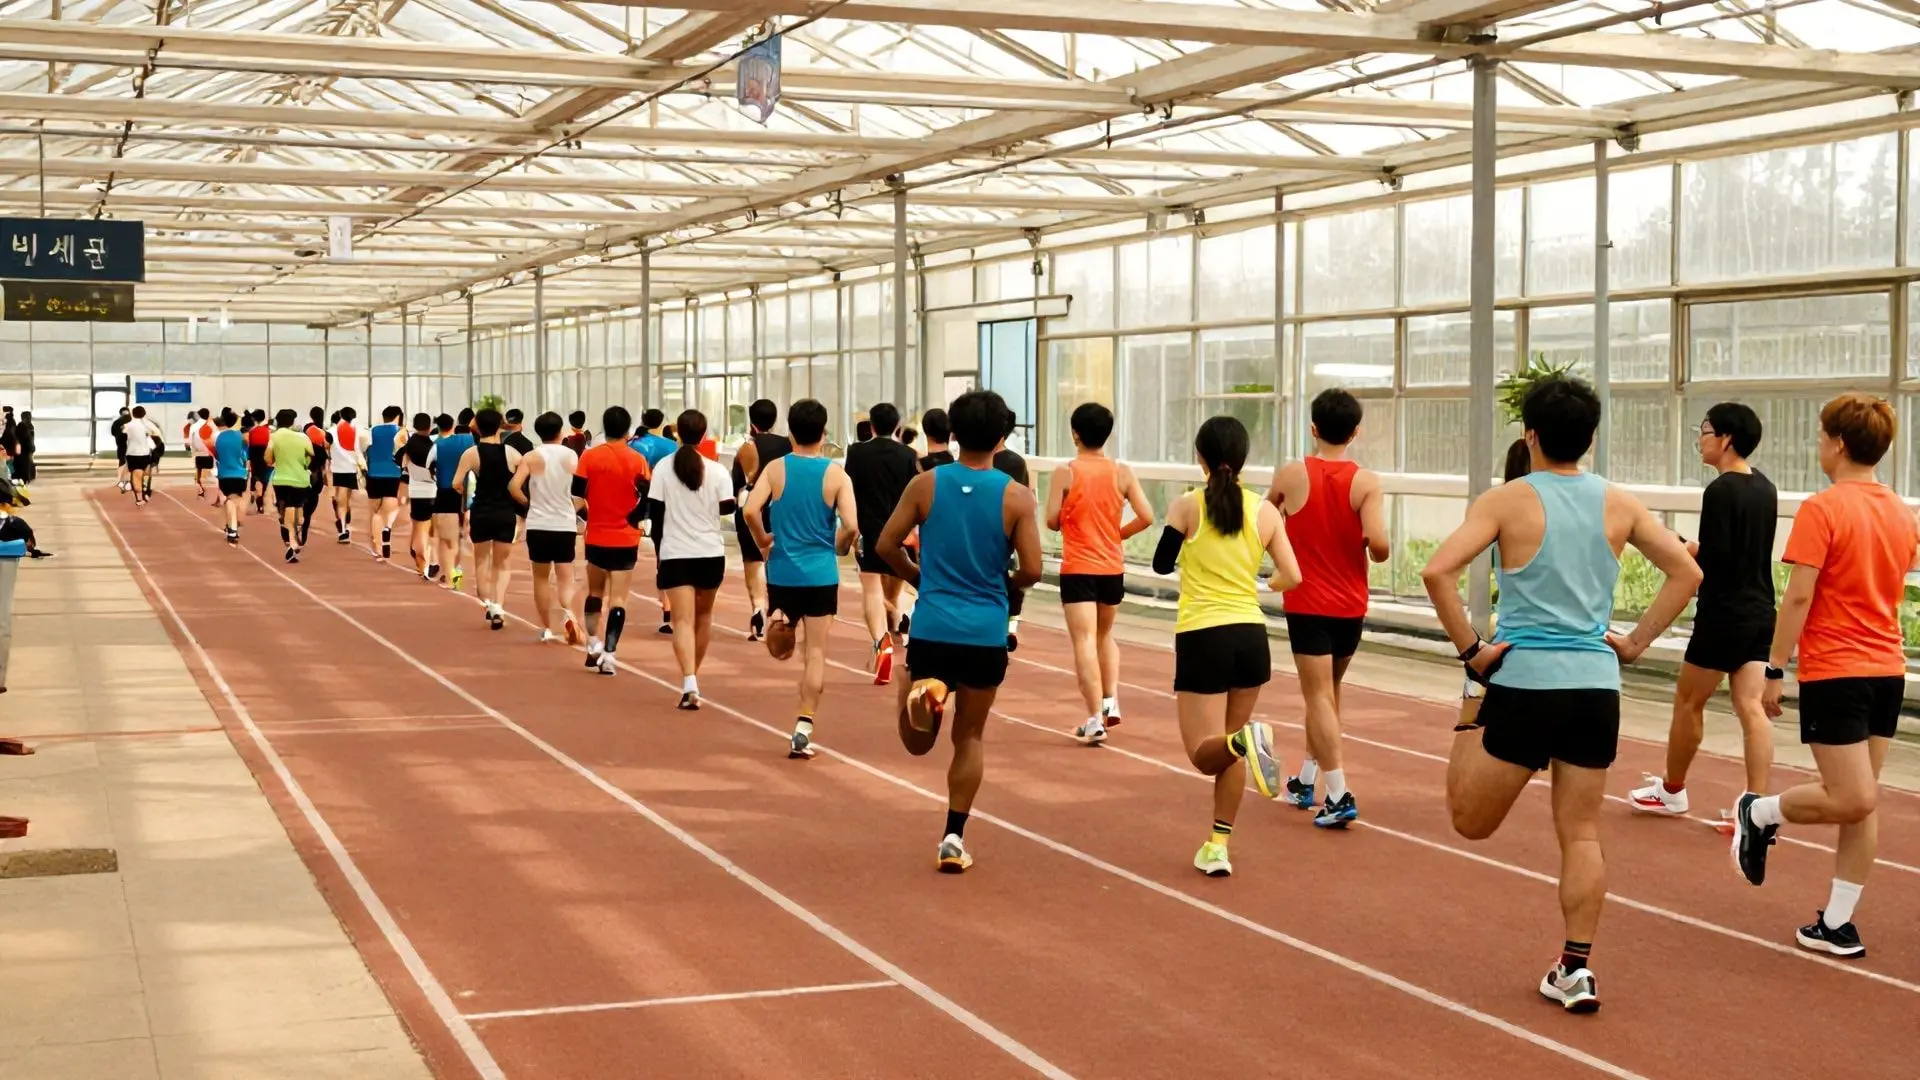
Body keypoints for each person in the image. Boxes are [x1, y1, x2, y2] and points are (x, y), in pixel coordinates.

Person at [1423, 377, 1698, 1014]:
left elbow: (1437, 571)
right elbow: (1688, 571)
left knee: (1468, 821)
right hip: (1596, 688)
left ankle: (1469, 697)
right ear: (1590, 439)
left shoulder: (1504, 500)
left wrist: (1473, 652)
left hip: (1526, 681)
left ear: (1530, 436)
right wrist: (1634, 644)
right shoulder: (1620, 503)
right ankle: (1576, 970)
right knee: (1580, 832)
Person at [1732, 393, 1919, 960]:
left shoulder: (1823, 508)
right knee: (1858, 798)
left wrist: (1774, 667)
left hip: (1852, 668)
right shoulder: (1901, 511)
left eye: (1819, 436)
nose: (1817, 445)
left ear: (1838, 444)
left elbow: (1799, 596)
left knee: (1858, 799)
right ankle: (1831, 913)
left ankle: (1762, 816)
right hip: (1875, 669)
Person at [874, 390, 1043, 874]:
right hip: (985, 630)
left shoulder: (926, 484)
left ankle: (916, 688)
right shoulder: (1016, 496)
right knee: (970, 736)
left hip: (934, 622)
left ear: (952, 433)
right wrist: (1001, 583)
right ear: (1003, 435)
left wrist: (917, 577)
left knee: (918, 743)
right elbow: (1033, 569)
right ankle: (952, 837)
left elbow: (885, 544)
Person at [1148, 416, 1300, 876]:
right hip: (1250, 637)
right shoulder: (1265, 512)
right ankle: (1218, 846)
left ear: (1200, 457)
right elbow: (1293, 575)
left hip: (1204, 635)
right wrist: (1263, 586)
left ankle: (1244, 741)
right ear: (1244, 457)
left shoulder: (1187, 506)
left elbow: (1160, 564)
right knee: (1231, 748)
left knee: (1203, 753)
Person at [1631, 403, 1777, 818]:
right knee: (1750, 706)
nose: (1700, 438)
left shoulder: (1720, 491)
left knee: (1688, 701)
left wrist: (1676, 547)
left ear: (1726, 438)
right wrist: (1690, 546)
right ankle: (1755, 806)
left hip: (1723, 614)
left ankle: (1672, 791)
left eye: (1706, 430)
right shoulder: (1765, 488)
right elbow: (1735, 553)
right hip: (1760, 612)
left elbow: (1711, 563)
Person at [1266, 388, 1391, 828]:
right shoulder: (1366, 482)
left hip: (1307, 601)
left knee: (1319, 696)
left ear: (1313, 428)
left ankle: (1338, 794)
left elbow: (1263, 520)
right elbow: (1380, 549)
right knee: (1327, 693)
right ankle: (1306, 779)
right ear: (1356, 433)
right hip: (1350, 605)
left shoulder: (1291, 474)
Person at [744, 398, 857, 759]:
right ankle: (804, 725)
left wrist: (763, 540)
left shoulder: (776, 469)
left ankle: (779, 620)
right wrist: (838, 546)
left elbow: (749, 510)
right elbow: (851, 525)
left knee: (784, 644)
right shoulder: (836, 474)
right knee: (816, 653)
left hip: (783, 572)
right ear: (824, 433)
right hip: (821, 573)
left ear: (790, 432)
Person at [1045, 402, 1153, 745]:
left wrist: (1069, 520)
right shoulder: (1122, 472)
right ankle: (1111, 700)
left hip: (1078, 567)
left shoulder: (1065, 472)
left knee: (1084, 641)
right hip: (1111, 567)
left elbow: (1050, 520)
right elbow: (1147, 516)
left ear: (1074, 434)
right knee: (1105, 636)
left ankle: (1094, 718)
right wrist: (1117, 534)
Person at [1446, 439, 1532, 804]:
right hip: (1553, 643)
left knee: (1476, 686)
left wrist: (1469, 646)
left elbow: (1440, 572)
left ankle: (1469, 733)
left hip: (1509, 628)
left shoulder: (1500, 509)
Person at [647, 410, 735, 710]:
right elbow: (727, 508)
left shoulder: (663, 468)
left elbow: (655, 511)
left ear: (677, 433)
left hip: (676, 553)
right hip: (710, 552)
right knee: (704, 617)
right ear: (704, 434)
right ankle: (693, 677)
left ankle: (689, 681)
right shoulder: (717, 470)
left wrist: (659, 549)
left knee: (682, 620)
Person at [574, 406, 651, 677]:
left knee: (595, 593)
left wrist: (588, 515)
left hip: (597, 535)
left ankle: (593, 643)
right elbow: (647, 498)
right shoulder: (638, 460)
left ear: (604, 427)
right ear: (628, 429)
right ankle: (609, 654)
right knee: (618, 599)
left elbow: (576, 496)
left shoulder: (589, 457)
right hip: (626, 538)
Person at [845, 402, 919, 685]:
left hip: (869, 532)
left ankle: (881, 641)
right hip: (900, 532)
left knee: (872, 589)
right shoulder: (908, 455)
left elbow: (850, 491)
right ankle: (902, 618)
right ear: (897, 426)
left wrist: (850, 529)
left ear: (872, 426)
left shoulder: (857, 453)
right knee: (900, 585)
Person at [509, 411, 584, 645]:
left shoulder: (531, 456)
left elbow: (513, 486)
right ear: (561, 431)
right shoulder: (571, 456)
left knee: (541, 579)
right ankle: (569, 616)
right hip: (564, 523)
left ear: (538, 432)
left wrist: (528, 504)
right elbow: (581, 489)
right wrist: (575, 507)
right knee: (565, 576)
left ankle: (547, 627)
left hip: (538, 523)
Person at [452, 408, 522, 630]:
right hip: (505, 512)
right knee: (502, 564)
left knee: (481, 561)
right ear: (499, 427)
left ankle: (489, 603)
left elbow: (456, 483)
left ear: (477, 427)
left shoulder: (471, 453)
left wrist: (466, 494)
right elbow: (523, 478)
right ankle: (498, 605)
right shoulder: (512, 453)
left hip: (481, 511)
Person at [730, 399, 791, 641]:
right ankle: (778, 607)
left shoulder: (747, 448)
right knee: (778, 559)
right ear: (774, 420)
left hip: (752, 509)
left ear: (751, 420)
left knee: (753, 561)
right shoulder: (788, 445)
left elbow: (737, 483)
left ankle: (757, 608)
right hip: (781, 510)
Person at [630, 408, 680, 633]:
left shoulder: (634, 444)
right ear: (662, 423)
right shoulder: (671, 447)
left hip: (642, 504)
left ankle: (667, 612)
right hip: (669, 505)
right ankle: (676, 609)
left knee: (662, 556)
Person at [992, 409, 1032, 652]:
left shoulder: (975, 461)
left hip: (982, 531)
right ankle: (1010, 627)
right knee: (1011, 579)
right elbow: (1026, 497)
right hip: (1008, 532)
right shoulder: (1016, 463)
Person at [426, 414, 473, 591]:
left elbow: (428, 466)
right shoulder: (469, 441)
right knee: (459, 540)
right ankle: (456, 578)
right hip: (467, 494)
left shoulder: (437, 444)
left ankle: (450, 580)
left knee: (447, 542)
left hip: (446, 494)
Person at [264, 408, 314, 563]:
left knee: (287, 511)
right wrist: (304, 463)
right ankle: (293, 540)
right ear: (293, 422)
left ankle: (291, 541)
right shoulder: (303, 437)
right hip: (301, 479)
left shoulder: (273, 437)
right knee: (297, 512)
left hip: (281, 479)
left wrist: (277, 460)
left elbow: (268, 459)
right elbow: (311, 454)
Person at [364, 406, 406, 562]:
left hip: (374, 473)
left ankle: (377, 548)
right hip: (394, 474)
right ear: (398, 417)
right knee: (389, 509)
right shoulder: (401, 432)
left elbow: (364, 450)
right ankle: (387, 527)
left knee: (375, 513)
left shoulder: (371, 431)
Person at [400, 413, 439, 580]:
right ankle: (429, 562)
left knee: (419, 528)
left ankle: (422, 562)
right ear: (429, 427)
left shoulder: (409, 446)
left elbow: (403, 466)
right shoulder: (433, 446)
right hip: (433, 490)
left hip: (416, 491)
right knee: (430, 530)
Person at [211, 409, 248, 545]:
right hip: (240, 473)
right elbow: (245, 454)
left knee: (230, 500)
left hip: (224, 474)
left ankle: (231, 526)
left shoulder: (218, 437)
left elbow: (216, 454)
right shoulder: (240, 436)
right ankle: (233, 526)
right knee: (235, 500)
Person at [327, 406, 361, 544]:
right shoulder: (356, 430)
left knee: (341, 500)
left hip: (338, 469)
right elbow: (359, 450)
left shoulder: (331, 431)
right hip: (351, 469)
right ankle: (344, 524)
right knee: (345, 500)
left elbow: (326, 447)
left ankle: (342, 529)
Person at [299, 407, 331, 548]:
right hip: (317, 472)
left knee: (303, 497)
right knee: (312, 499)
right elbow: (325, 457)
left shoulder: (308, 429)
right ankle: (306, 521)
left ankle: (302, 519)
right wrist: (325, 475)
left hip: (306, 471)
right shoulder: (323, 433)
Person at [122, 406, 161, 508]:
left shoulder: (128, 425)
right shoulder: (147, 424)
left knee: (136, 476)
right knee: (144, 473)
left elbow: (123, 435)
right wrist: (148, 435)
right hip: (145, 453)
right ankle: (144, 490)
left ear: (132, 414)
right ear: (144, 414)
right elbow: (157, 433)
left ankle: (140, 498)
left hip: (132, 453)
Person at [245, 410, 273, 513]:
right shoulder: (269, 430)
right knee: (265, 479)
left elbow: (249, 447)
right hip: (265, 455)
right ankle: (261, 502)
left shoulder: (252, 431)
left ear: (254, 419)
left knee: (255, 475)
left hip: (255, 455)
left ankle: (254, 493)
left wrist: (248, 459)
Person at [189, 408, 215, 499]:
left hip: (199, 452)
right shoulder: (211, 425)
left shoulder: (193, 426)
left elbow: (190, 441)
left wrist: (193, 452)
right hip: (209, 451)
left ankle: (201, 491)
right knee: (211, 470)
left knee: (199, 470)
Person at [110, 406, 131, 494]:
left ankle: (123, 481)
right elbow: (114, 433)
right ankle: (123, 480)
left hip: (124, 445)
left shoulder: (117, 422)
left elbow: (113, 433)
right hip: (126, 445)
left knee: (124, 462)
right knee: (124, 462)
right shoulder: (129, 422)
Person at [12, 410, 33, 488]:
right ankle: (23, 481)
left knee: (25, 466)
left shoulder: (27, 426)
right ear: (24, 418)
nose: (30, 418)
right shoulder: (22, 426)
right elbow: (24, 439)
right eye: (28, 417)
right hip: (23, 451)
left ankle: (24, 481)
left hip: (25, 451)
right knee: (23, 467)